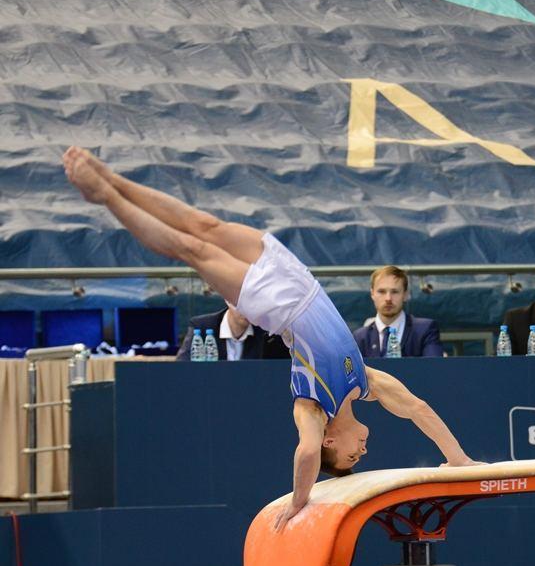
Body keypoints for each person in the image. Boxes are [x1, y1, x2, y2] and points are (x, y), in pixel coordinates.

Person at [62, 147, 480, 533]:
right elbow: (420, 410)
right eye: (360, 458)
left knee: (191, 249)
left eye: (353, 456)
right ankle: (112, 178)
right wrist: (458, 459)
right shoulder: (366, 383)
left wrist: (300, 500)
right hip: (301, 280)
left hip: (280, 307)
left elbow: (306, 454)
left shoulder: (313, 407)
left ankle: (105, 197)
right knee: (205, 225)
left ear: (332, 441)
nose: (364, 452)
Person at [352, 266, 443, 357]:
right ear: (372, 294)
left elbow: (434, 368)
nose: (388, 298)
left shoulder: (425, 330)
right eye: (382, 291)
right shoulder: (359, 337)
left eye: (394, 292)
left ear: (405, 294)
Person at [175, 301, 291, 361]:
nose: (247, 310)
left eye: (252, 305)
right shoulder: (202, 327)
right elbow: (182, 368)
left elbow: (280, 370)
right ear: (228, 300)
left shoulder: (267, 333)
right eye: (241, 303)